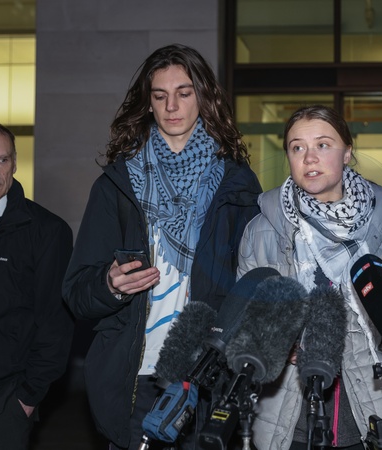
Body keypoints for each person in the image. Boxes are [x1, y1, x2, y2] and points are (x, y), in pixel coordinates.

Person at [62, 44, 262, 450]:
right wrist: (110, 285)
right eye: (160, 95)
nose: (172, 106)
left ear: (203, 98)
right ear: (148, 103)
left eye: (184, 93)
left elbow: (253, 285)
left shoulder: (237, 185)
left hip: (206, 378)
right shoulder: (117, 186)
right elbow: (77, 293)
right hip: (135, 380)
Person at [237, 104, 382, 450]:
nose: (309, 158)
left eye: (323, 145)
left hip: (368, 389)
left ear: (347, 153)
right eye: (297, 147)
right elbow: (245, 309)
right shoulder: (262, 229)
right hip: (288, 400)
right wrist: (278, 343)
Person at [0, 121, 74, 449]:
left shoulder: (47, 232)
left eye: (3, 160)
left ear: (14, 163)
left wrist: (25, 398)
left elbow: (56, 325)